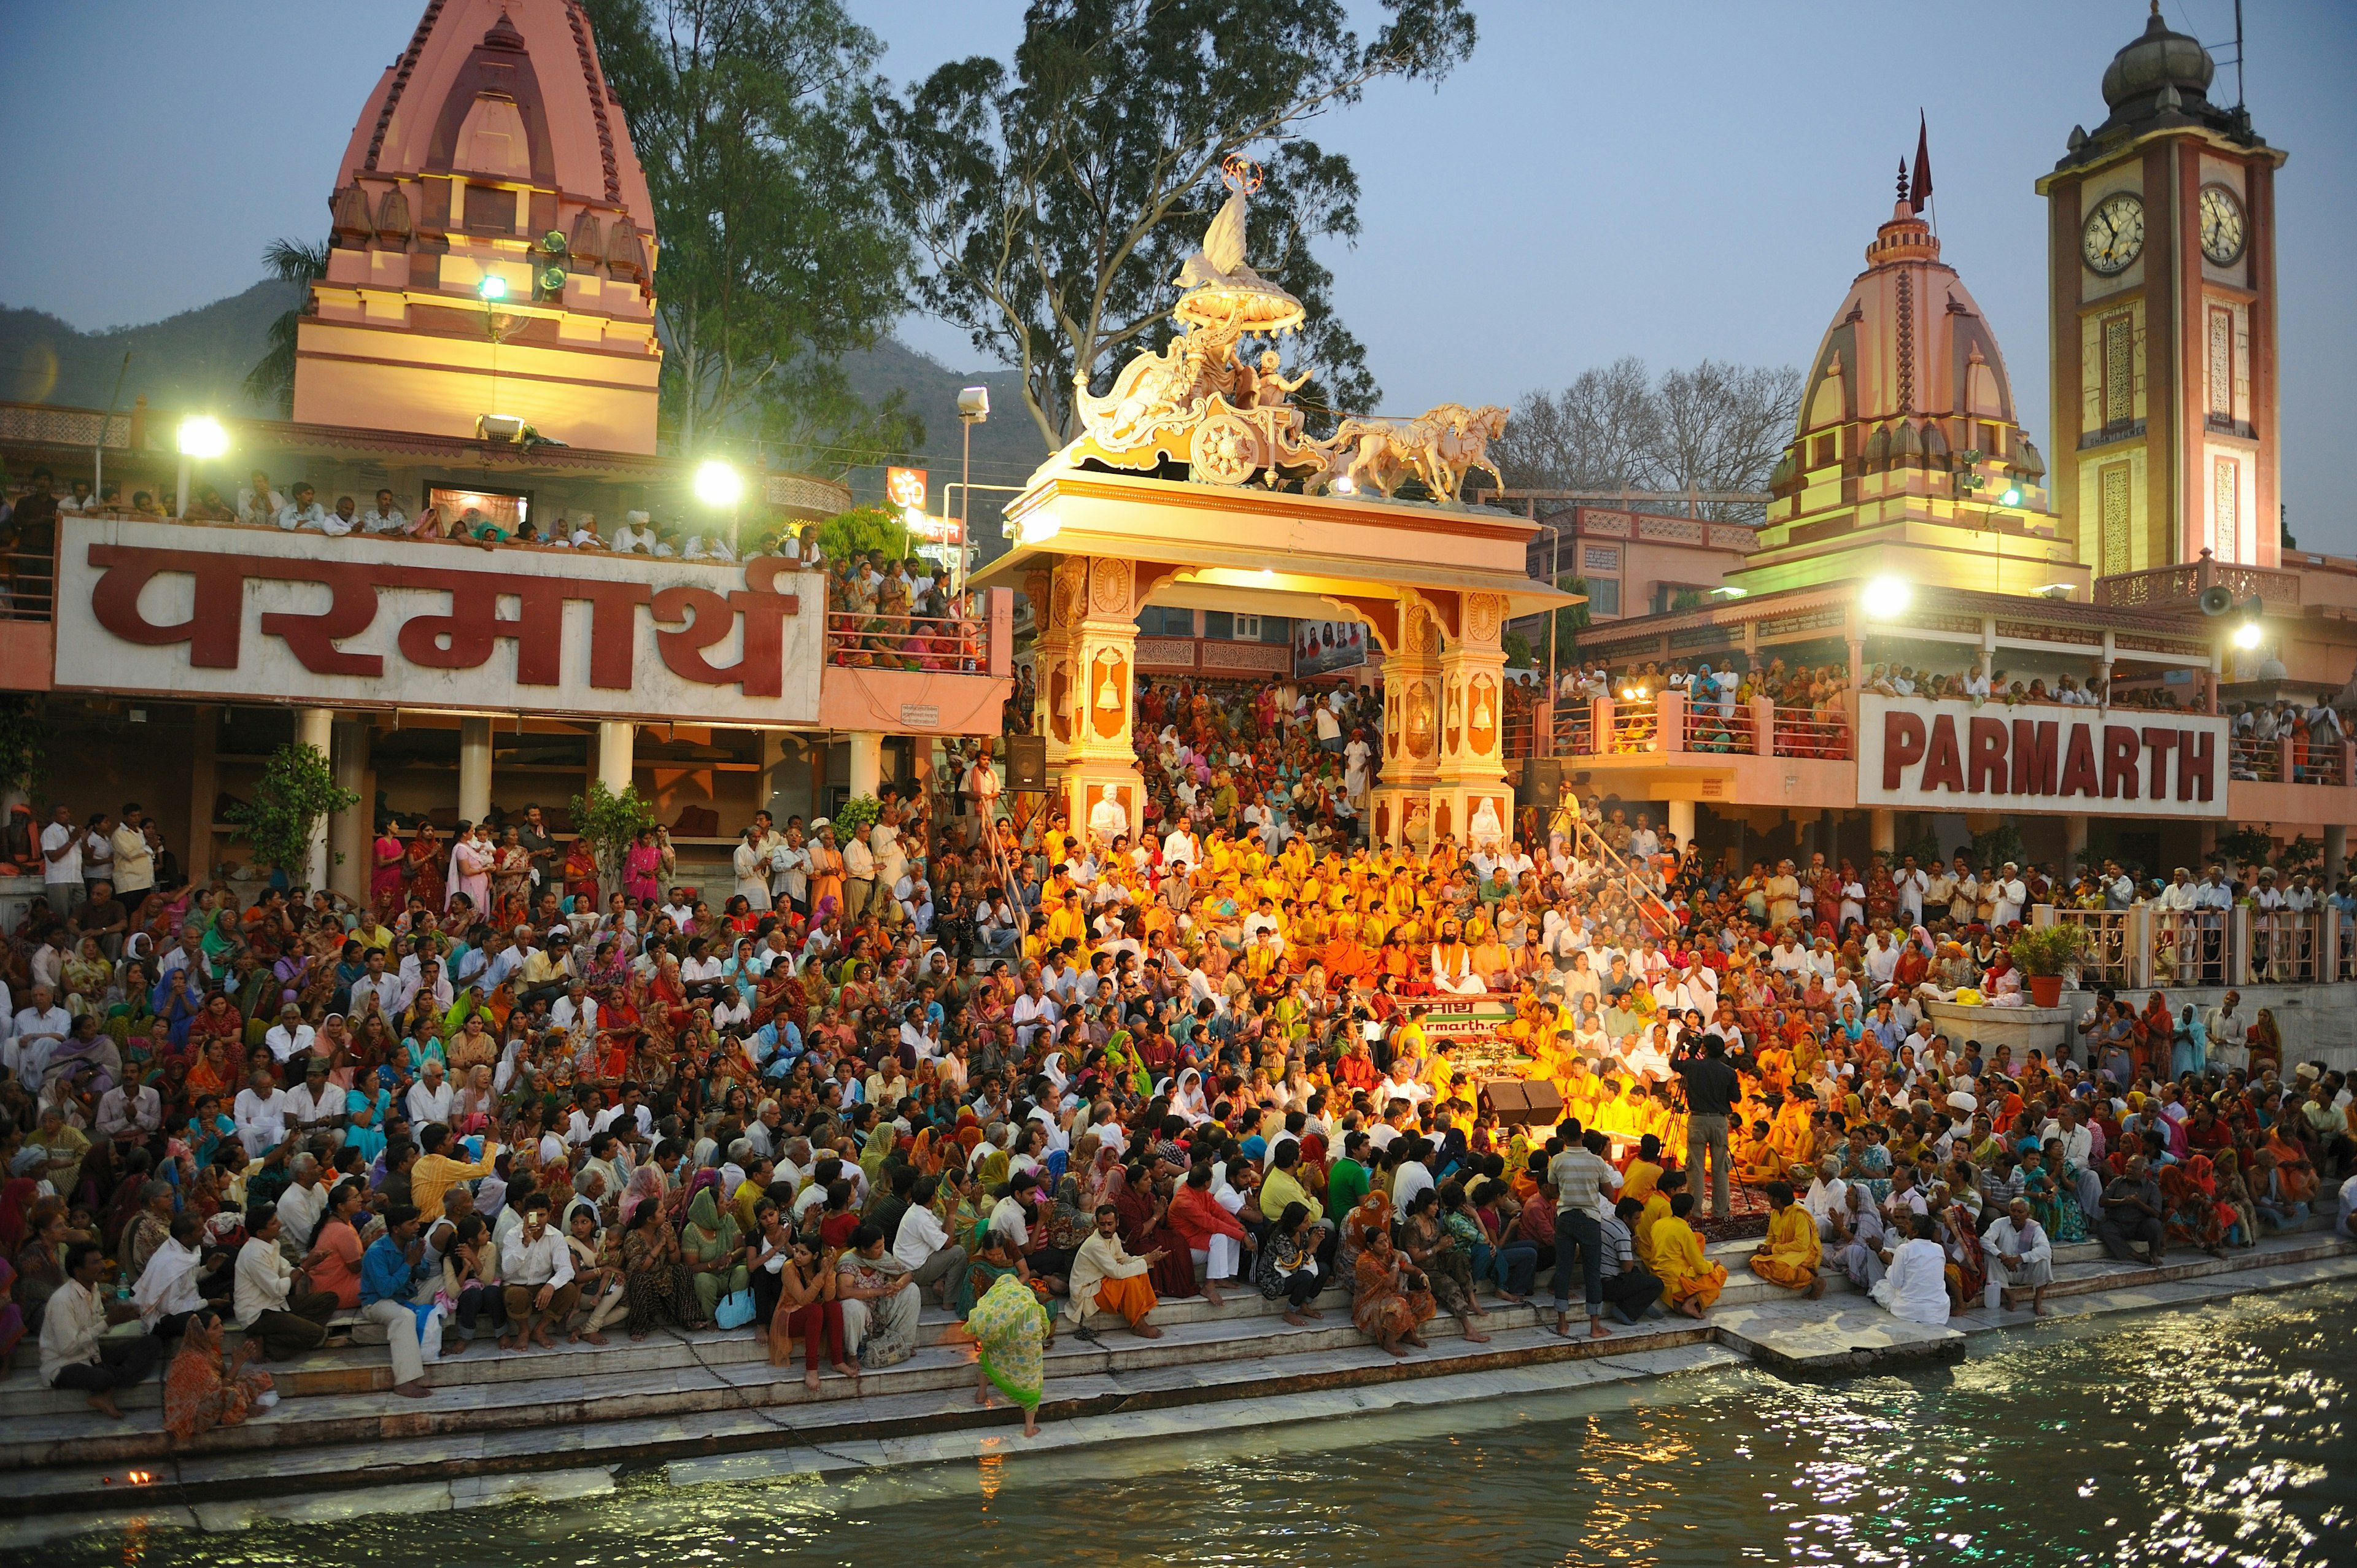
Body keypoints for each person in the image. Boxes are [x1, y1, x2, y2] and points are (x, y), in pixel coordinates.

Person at [41, 1242, 164, 1418]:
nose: (103, 1266)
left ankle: (108, 1389)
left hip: (92, 1354)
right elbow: (67, 1347)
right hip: (64, 1365)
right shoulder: (62, 1301)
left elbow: (95, 1323)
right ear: (78, 1271)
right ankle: (111, 1381)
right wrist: (107, 1322)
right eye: (95, 1263)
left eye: (101, 1260)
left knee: (151, 1343)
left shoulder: (94, 1289)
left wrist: (121, 1318)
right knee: (102, 1378)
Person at [163, 1310, 277, 1445]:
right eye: (216, 1328)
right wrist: (237, 1365)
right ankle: (243, 1408)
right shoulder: (192, 1360)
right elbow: (220, 1390)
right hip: (193, 1415)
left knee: (258, 1376)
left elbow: (226, 1379)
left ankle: (240, 1405)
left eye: (221, 1325)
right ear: (202, 1334)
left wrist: (237, 1366)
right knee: (229, 1394)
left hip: (215, 1396)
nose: (222, 1330)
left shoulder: (210, 1352)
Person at [964, 1264, 1051, 1435]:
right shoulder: (1023, 1292)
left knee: (986, 1358)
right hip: (1028, 1335)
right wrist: (1042, 1335)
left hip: (1001, 1337)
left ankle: (981, 1395)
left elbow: (978, 1319)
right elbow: (1041, 1314)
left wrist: (983, 1339)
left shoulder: (994, 1297)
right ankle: (1029, 1427)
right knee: (1032, 1375)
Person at [1066, 1202, 1164, 1335]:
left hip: (1102, 1283)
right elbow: (1116, 1272)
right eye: (1102, 1224)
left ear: (1117, 1223)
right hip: (1088, 1292)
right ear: (1097, 1223)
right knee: (1130, 1281)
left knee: (1141, 1274)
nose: (1106, 1228)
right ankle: (1138, 1325)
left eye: (1110, 1224)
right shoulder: (1095, 1244)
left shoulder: (1114, 1237)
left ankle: (1139, 1316)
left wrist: (1146, 1258)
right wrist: (1144, 1262)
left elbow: (1123, 1259)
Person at [1643, 1192, 1725, 1318]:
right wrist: (1713, 1264)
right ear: (1690, 1212)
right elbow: (1701, 1268)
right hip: (1676, 1281)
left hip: (1657, 1274)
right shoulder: (1684, 1231)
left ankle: (1678, 1303)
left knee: (1698, 1238)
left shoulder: (1658, 1224)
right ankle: (1690, 1303)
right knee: (1720, 1274)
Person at [1870, 1211, 1952, 1326]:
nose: (1904, 1225)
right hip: (1938, 1312)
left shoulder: (1904, 1249)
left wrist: (1890, 1262)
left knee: (1880, 1287)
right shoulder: (1939, 1249)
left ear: (1915, 1232)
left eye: (1907, 1224)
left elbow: (1895, 1283)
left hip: (1909, 1311)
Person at [1747, 1180, 1825, 1299]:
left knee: (1782, 1269)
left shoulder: (1800, 1215)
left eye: (1769, 1197)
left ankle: (1815, 1282)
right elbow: (1771, 1237)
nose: (1767, 1200)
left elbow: (1802, 1245)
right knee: (1756, 1262)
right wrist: (1766, 1246)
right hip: (1785, 1251)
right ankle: (1801, 1270)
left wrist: (1773, 1249)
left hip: (1806, 1252)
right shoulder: (1775, 1213)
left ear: (1777, 1200)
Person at [1983, 1197, 2054, 1315]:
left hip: (2027, 1273)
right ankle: (2009, 1295)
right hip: (2005, 1270)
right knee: (1990, 1256)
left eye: (2020, 1212)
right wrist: (2003, 1257)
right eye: (2013, 1211)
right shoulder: (2000, 1223)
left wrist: (2018, 1259)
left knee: (2044, 1258)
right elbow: (1985, 1241)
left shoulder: (2034, 1227)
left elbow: (2046, 1250)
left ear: (2027, 1214)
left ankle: (2037, 1302)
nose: (2016, 1215)